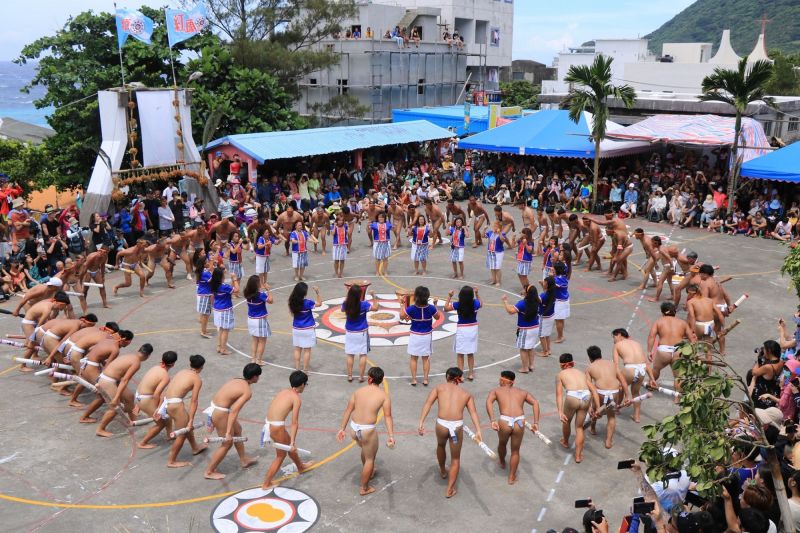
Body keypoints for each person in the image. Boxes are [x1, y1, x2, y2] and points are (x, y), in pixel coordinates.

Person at [417, 367, 483, 498]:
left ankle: (442, 471)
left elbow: (428, 403)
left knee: (440, 446)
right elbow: (473, 412)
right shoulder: (466, 394)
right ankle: (449, 489)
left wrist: (421, 422)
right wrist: (478, 430)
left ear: (447, 377)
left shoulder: (439, 388)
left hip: (441, 425)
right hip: (457, 426)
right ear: (459, 379)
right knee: (455, 458)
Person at [336, 366, 396, 495]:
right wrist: (391, 436)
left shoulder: (358, 391)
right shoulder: (384, 396)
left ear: (369, 379)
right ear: (381, 380)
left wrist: (342, 429)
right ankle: (364, 488)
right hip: (367, 430)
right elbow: (388, 416)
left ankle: (370, 472)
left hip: (353, 428)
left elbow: (348, 410)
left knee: (365, 449)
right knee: (370, 458)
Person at [203, 363, 262, 480]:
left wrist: (212, 419)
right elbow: (234, 411)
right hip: (220, 412)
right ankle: (209, 472)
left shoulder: (236, 379)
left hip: (216, 408)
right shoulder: (247, 391)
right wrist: (228, 432)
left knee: (238, 430)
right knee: (227, 443)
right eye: (258, 376)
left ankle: (244, 460)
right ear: (254, 377)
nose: (259, 378)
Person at [260, 370, 314, 489]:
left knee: (289, 444)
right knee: (281, 455)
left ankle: (300, 467)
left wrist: (291, 442)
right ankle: (266, 483)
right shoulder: (296, 399)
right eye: (306, 384)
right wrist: (292, 442)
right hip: (276, 427)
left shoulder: (283, 391)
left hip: (270, 424)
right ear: (302, 384)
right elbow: (294, 423)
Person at [485, 370, 540, 484]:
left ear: (503, 380)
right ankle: (511, 477)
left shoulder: (496, 391)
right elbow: (535, 402)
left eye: (500, 379)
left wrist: (492, 420)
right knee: (515, 451)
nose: (499, 381)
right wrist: (536, 422)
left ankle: (502, 462)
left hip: (505, 421)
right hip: (519, 421)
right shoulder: (522, 392)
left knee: (502, 443)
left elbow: (488, 402)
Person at [85, 344, 153, 438]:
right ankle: (100, 429)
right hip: (107, 381)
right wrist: (117, 397)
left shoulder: (130, 356)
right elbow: (125, 380)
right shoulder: (136, 363)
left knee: (129, 397)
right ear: (148, 356)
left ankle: (133, 420)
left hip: (109, 378)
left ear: (139, 350)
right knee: (116, 407)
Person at [585, 345, 630, 449]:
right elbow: (623, 380)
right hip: (614, 392)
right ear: (600, 354)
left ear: (590, 358)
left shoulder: (590, 368)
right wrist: (627, 395)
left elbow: (589, 388)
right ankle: (608, 441)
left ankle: (592, 428)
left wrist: (589, 406)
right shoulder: (612, 364)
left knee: (594, 410)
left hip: (600, 393)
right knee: (611, 416)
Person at [611, 328, 657, 423]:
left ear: (619, 334)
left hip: (630, 368)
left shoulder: (617, 345)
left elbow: (616, 366)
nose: (613, 340)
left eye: (614, 337)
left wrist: (625, 391)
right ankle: (637, 416)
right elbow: (646, 363)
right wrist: (652, 379)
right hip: (642, 369)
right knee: (636, 393)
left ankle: (617, 408)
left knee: (620, 387)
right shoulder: (637, 344)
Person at [135, 350, 177, 449]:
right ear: (173, 364)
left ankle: (169, 434)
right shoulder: (165, 376)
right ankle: (143, 443)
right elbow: (157, 394)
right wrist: (157, 409)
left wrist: (138, 404)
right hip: (145, 400)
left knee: (167, 412)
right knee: (161, 423)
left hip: (138, 396)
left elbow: (143, 384)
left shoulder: (155, 367)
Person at [400, 285, 441, 386]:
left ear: (416, 296)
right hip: (426, 336)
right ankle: (425, 379)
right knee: (425, 358)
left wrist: (402, 304)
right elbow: (438, 317)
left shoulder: (412, 308)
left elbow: (402, 316)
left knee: (414, 358)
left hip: (415, 335)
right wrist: (435, 304)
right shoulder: (431, 308)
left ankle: (414, 379)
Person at [647, 302, 696, 382]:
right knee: (678, 378)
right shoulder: (683, 323)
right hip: (678, 351)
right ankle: (678, 390)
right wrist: (692, 353)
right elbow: (692, 340)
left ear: (662, 312)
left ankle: (651, 384)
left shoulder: (659, 321)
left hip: (664, 351)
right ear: (675, 312)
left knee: (656, 369)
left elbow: (651, 336)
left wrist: (649, 351)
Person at [555, 352, 590, 463]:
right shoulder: (581, 373)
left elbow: (559, 394)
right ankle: (578, 456)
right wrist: (593, 406)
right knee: (579, 427)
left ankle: (565, 441)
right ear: (572, 363)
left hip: (572, 397)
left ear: (561, 365)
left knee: (566, 421)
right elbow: (592, 389)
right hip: (586, 396)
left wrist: (560, 412)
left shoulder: (560, 374)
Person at [341, 285, 378, 382]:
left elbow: (342, 309)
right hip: (362, 332)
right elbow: (376, 308)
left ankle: (350, 376)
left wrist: (348, 296)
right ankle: (361, 377)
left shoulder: (346, 304)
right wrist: (374, 296)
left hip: (350, 332)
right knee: (363, 354)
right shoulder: (364, 304)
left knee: (350, 354)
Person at [444, 286, 482, 380]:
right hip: (473, 328)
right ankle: (471, 373)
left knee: (460, 353)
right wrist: (477, 293)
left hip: (462, 328)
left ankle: (460, 375)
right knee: (470, 352)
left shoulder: (458, 304)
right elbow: (481, 303)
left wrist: (449, 296)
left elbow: (446, 308)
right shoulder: (475, 303)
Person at [501, 284, 540, 373]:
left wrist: (505, 301)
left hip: (525, 329)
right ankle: (531, 365)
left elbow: (510, 311)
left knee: (523, 349)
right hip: (535, 327)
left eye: (524, 289)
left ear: (527, 292)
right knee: (531, 347)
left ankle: (525, 368)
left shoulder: (522, 303)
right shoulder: (537, 301)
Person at [289, 282, 322, 372]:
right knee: (307, 350)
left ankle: (297, 369)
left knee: (297, 349)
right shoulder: (307, 302)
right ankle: (305, 370)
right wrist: (317, 292)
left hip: (296, 328)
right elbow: (319, 303)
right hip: (308, 328)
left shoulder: (292, 301)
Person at [244, 275, 272, 366]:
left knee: (255, 340)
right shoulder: (260, 295)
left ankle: (253, 358)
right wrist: (268, 290)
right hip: (259, 320)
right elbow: (271, 301)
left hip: (251, 319)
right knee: (262, 341)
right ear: (256, 284)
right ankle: (259, 360)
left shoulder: (247, 292)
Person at [209, 267, 234, 355]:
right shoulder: (224, 286)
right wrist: (234, 279)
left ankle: (219, 346)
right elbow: (236, 289)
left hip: (217, 308)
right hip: (225, 309)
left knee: (220, 329)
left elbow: (212, 296)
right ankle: (223, 349)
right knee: (225, 330)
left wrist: (213, 305)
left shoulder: (214, 284)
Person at [485, 220, 511, 287]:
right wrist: (484, 229)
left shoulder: (502, 234)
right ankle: (494, 280)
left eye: (496, 226)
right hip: (491, 252)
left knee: (497, 267)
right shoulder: (490, 233)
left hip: (498, 253)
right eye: (494, 226)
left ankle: (498, 281)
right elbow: (483, 236)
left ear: (499, 227)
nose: (494, 227)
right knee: (492, 267)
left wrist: (499, 233)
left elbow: (502, 240)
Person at [538, 276, 556, 358]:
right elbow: (546, 291)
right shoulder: (553, 293)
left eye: (544, 282)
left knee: (541, 335)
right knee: (547, 334)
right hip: (551, 316)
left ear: (547, 284)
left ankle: (545, 352)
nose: (543, 282)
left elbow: (536, 300)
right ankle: (548, 349)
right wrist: (542, 285)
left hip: (544, 317)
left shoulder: (543, 296)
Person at [553, 262, 570, 343]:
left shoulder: (558, 279)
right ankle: (561, 335)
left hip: (560, 301)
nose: (552, 270)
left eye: (554, 269)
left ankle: (560, 337)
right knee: (561, 319)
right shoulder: (563, 276)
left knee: (558, 320)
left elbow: (550, 286)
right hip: (564, 300)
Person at [225, 232, 244, 298]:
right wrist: (239, 243)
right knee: (234, 278)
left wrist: (248, 242)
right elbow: (233, 251)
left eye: (237, 236)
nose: (237, 238)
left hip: (239, 263)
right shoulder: (230, 244)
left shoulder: (239, 244)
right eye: (235, 236)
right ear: (232, 237)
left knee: (239, 278)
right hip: (233, 263)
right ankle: (232, 293)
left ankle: (236, 292)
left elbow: (246, 248)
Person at [331, 213, 349, 278]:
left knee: (342, 260)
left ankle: (341, 273)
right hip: (336, 245)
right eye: (339, 220)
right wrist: (334, 226)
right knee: (336, 260)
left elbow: (348, 234)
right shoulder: (334, 226)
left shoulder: (345, 226)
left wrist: (348, 226)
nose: (340, 222)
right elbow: (333, 234)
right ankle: (336, 273)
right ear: (337, 221)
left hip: (343, 245)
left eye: (342, 220)